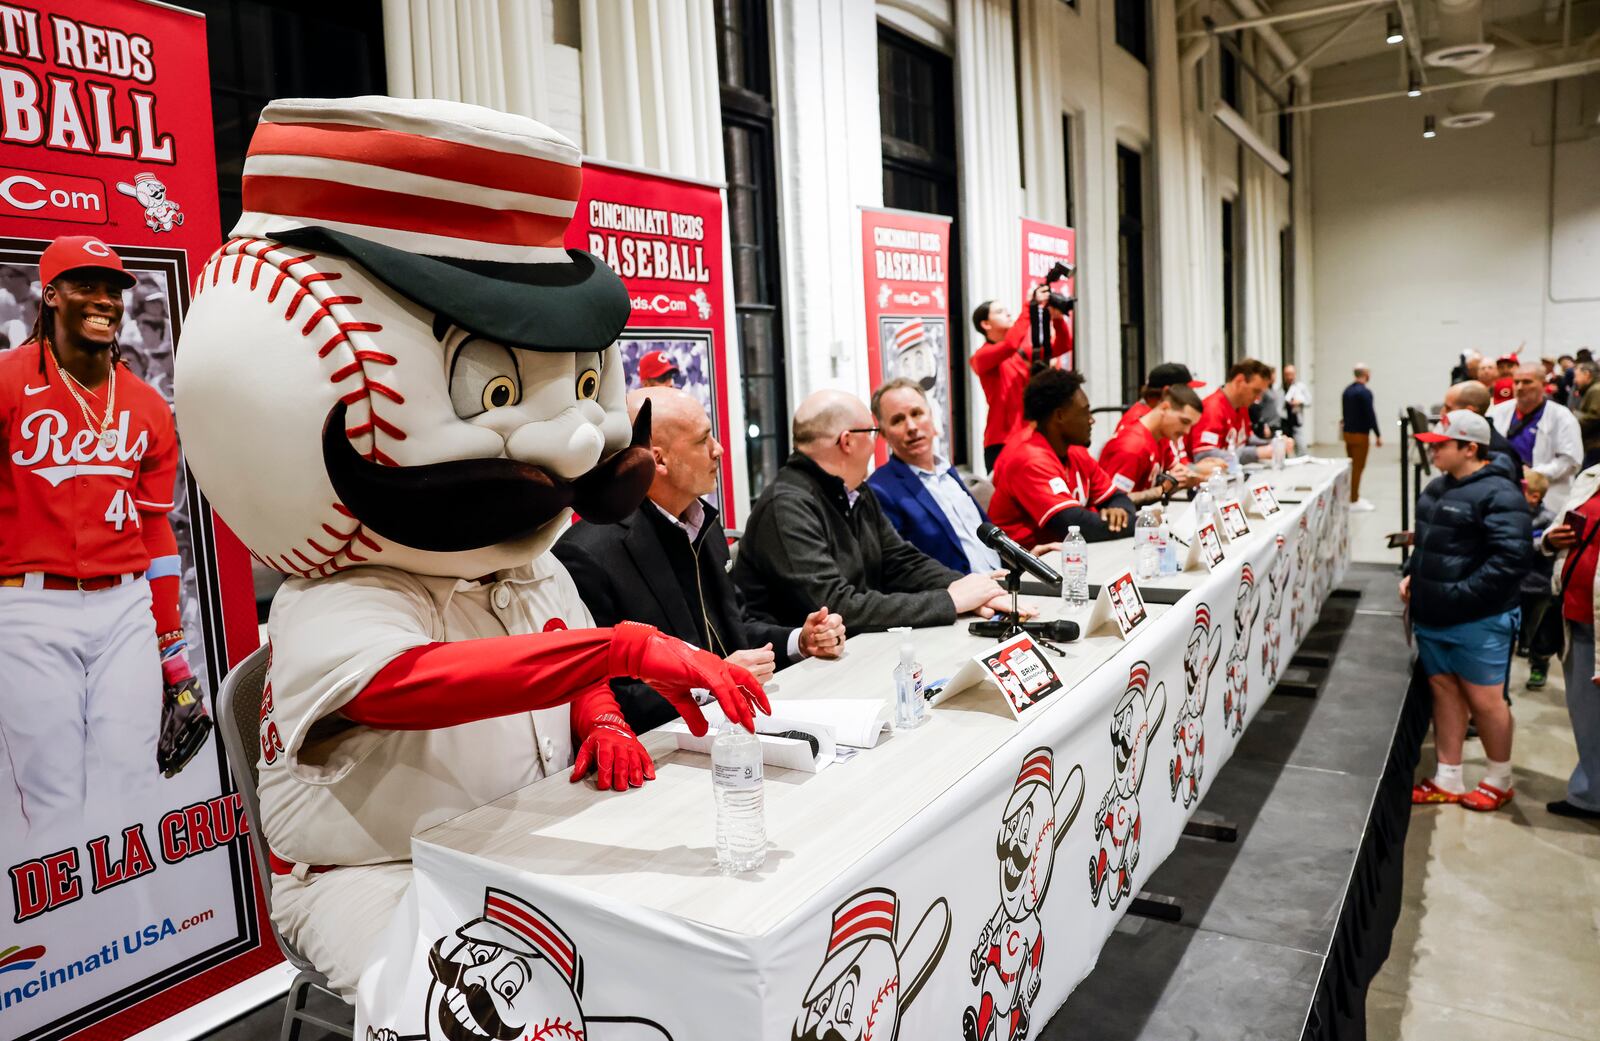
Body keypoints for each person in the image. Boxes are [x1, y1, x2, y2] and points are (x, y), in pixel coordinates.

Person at [173, 98, 772, 998]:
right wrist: (617, 647)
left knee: (691, 948)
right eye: (495, 388)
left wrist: (602, 712)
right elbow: (400, 684)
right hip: (378, 875)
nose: (573, 443)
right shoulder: (337, 588)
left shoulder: (527, 561)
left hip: (517, 839)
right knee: (503, 1012)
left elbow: (566, 660)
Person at [0, 235, 211, 842]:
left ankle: (135, 926)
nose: (103, 300)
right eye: (85, 285)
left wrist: (172, 650)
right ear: (50, 295)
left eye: (113, 288)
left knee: (132, 783)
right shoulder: (10, 383)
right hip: (27, 604)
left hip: (125, 608)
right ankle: (69, 934)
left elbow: (154, 532)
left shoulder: (145, 404)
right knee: (53, 793)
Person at [555, 388, 847, 733]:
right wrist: (709, 684)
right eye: (702, 439)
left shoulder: (702, 523)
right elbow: (608, 698)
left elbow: (735, 629)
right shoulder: (589, 554)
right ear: (658, 460)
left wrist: (799, 641)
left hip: (732, 725)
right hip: (670, 747)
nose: (718, 449)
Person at [732, 389, 1016, 632]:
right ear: (847, 441)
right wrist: (950, 600)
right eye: (873, 432)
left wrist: (974, 589)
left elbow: (900, 560)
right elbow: (835, 605)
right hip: (801, 674)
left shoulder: (853, 489)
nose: (875, 444)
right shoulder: (787, 506)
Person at [1404, 410, 1528, 812]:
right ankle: (1448, 776)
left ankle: (1498, 779)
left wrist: (1459, 594)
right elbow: (1427, 543)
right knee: (1444, 692)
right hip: (1433, 614)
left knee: (1486, 699)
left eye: (1441, 445)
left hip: (1478, 618)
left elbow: (1511, 559)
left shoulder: (1500, 494)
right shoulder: (1437, 489)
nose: (1433, 452)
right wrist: (1412, 574)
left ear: (1470, 448)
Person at [866, 377, 1002, 574]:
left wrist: (1022, 557)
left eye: (917, 413)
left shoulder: (947, 472)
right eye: (898, 420)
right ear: (884, 434)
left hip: (1006, 584)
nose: (911, 427)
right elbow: (900, 570)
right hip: (962, 598)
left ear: (931, 417)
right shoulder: (880, 490)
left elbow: (984, 539)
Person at [989, 368, 1137, 547]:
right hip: (1026, 569)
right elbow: (1075, 526)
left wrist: (1120, 512)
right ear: (1059, 416)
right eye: (1085, 412)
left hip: (1066, 559)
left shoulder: (1076, 452)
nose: (1091, 420)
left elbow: (1117, 497)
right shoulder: (1029, 459)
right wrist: (1138, 524)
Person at [1536, 463, 1600, 820]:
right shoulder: (1592, 476)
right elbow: (1557, 525)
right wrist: (1550, 539)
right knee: (1586, 712)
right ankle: (1590, 794)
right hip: (1577, 616)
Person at [970, 287, 1073, 471]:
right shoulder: (981, 356)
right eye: (1000, 312)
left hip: (1030, 437)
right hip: (1002, 442)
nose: (1008, 313)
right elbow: (1010, 344)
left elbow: (1063, 345)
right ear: (985, 324)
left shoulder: (1020, 352)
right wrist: (1029, 306)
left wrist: (1057, 319)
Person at [1487, 362, 1581, 514]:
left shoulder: (1562, 417)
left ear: (1543, 385)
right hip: (1502, 488)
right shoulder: (1497, 413)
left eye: (1527, 382)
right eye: (1516, 382)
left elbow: (1570, 460)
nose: (1519, 387)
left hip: (1548, 496)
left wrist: (1532, 475)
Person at [1098, 384, 1205, 498]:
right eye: (1184, 421)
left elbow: (1178, 471)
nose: (1187, 431)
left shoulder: (1162, 438)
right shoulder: (1133, 446)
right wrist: (1162, 489)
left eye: (1191, 425)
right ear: (1164, 408)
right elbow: (1115, 504)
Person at [1188, 358, 1289, 467]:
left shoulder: (1241, 406)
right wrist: (1259, 452)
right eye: (1255, 391)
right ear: (1239, 381)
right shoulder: (1212, 408)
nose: (1258, 398)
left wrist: (1274, 443)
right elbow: (1204, 455)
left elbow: (1247, 439)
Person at [1517, 470, 1560, 690]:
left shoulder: (1549, 519)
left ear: (1534, 496)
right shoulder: (1514, 514)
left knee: (1539, 629)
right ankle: (1522, 643)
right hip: (1518, 581)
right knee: (1520, 623)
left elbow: (1547, 547)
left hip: (1540, 584)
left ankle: (1538, 665)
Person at [1441, 380, 1519, 477]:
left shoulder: (1498, 451)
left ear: (1468, 411)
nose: (1442, 413)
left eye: (1448, 408)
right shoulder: (1462, 438)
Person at [1340, 364, 1382, 511]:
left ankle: (1352, 495)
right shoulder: (1364, 393)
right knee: (1358, 467)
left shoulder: (1347, 391)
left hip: (1348, 434)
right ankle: (1353, 499)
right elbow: (1370, 414)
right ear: (1365, 374)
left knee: (1352, 466)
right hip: (1360, 435)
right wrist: (1378, 434)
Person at [1570, 361, 1600, 468]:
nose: (1575, 380)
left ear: (1587, 374)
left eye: (1576, 376)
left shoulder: (1596, 390)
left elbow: (1596, 417)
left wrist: (1573, 419)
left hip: (1595, 446)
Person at [1281, 364, 1308, 450]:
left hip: (1296, 420)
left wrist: (1300, 402)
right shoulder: (1280, 388)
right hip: (1283, 422)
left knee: (1301, 447)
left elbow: (1309, 400)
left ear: (1295, 374)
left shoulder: (1300, 387)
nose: (1290, 377)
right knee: (1284, 448)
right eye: (1287, 374)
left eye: (1291, 374)